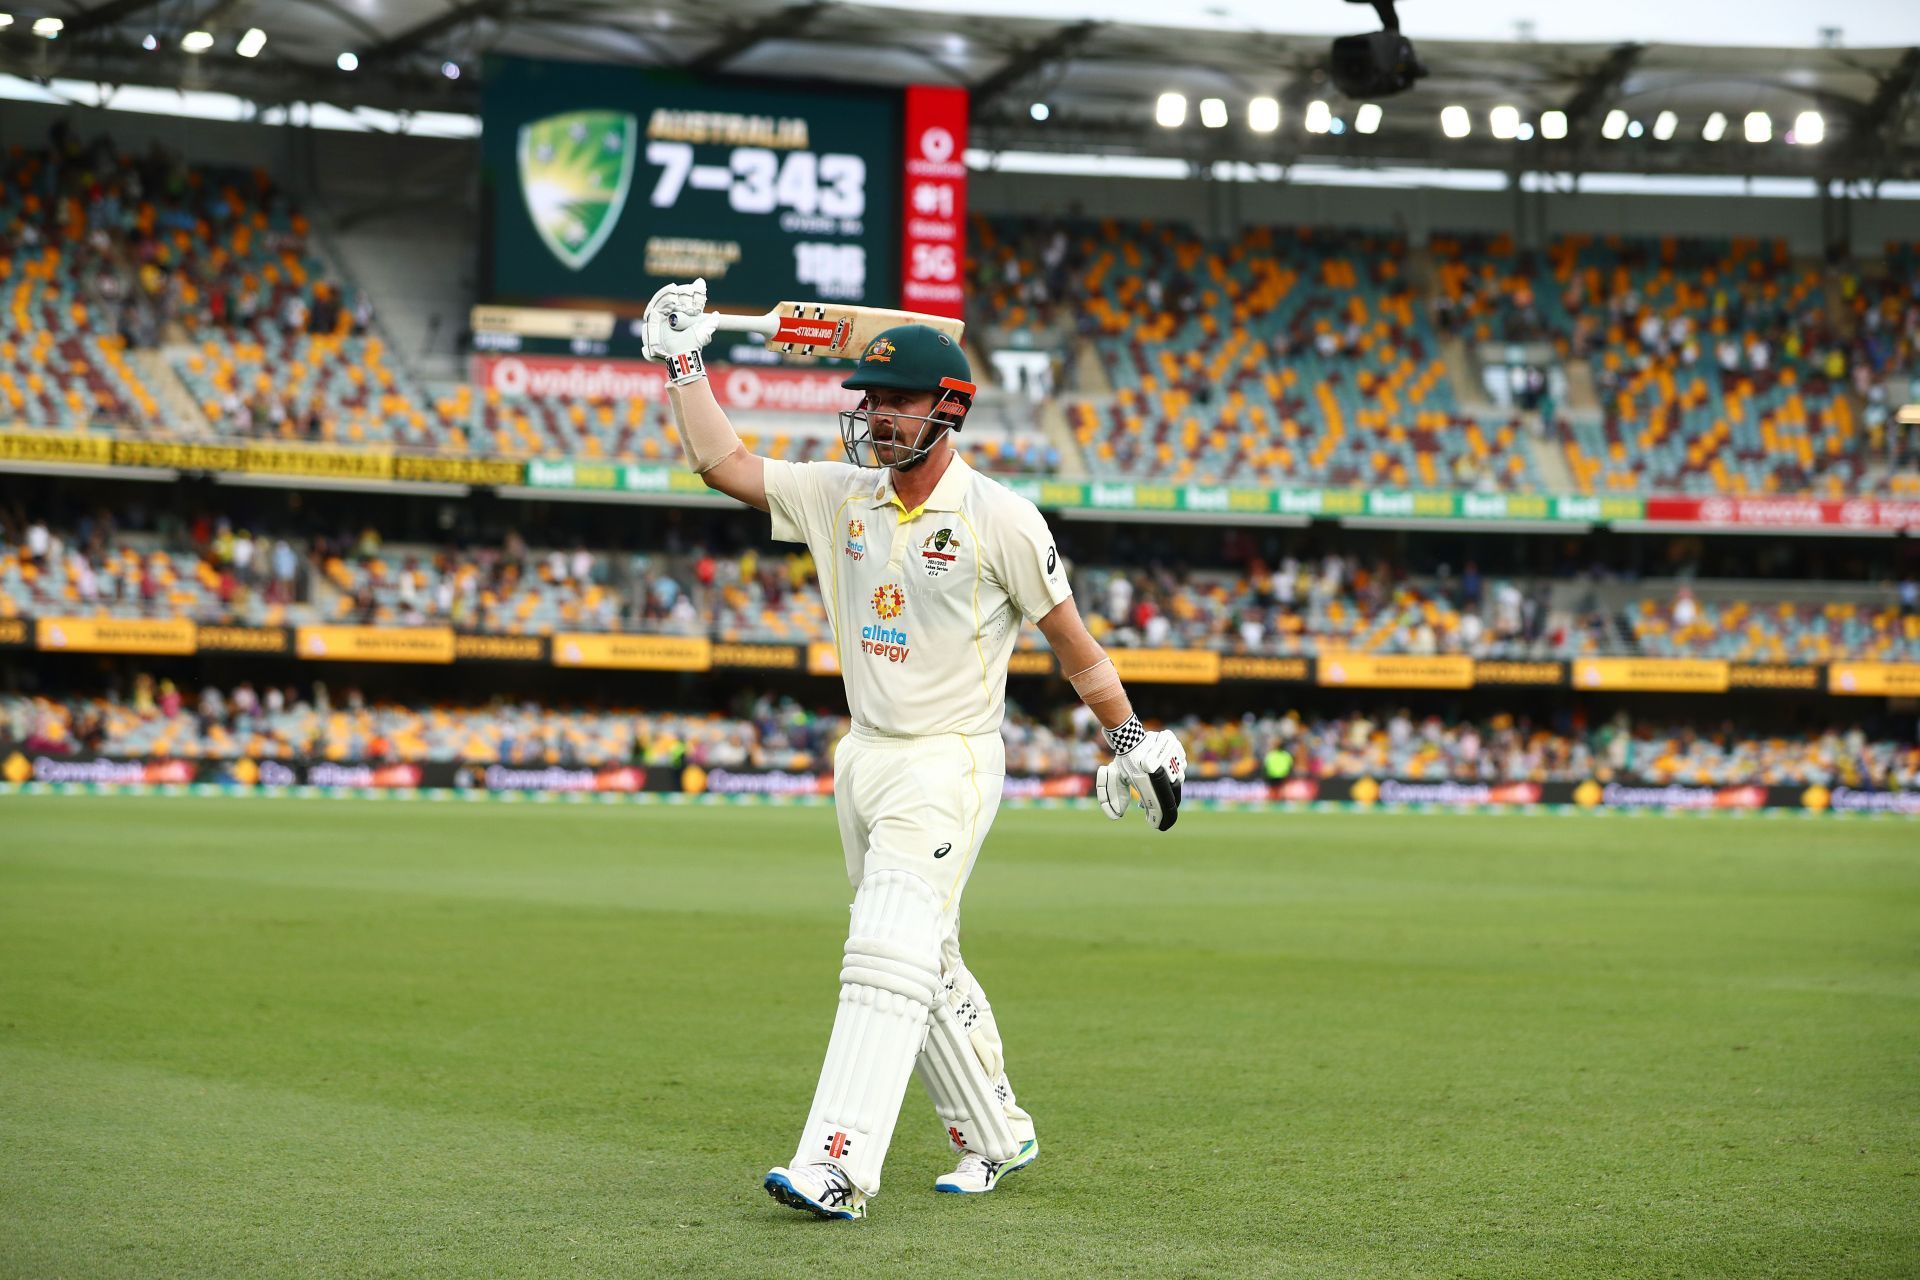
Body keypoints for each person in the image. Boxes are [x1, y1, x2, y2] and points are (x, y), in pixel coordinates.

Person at [645, 279, 1187, 1222]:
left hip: (950, 762)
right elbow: (723, 461)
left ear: (948, 410)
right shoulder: (840, 496)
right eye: (868, 401)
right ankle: (995, 1132)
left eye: (893, 403)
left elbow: (1072, 643)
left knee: (883, 952)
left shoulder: (1002, 518)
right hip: (865, 759)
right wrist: (684, 361)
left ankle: (837, 1167)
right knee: (922, 961)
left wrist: (1132, 736)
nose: (875, 418)